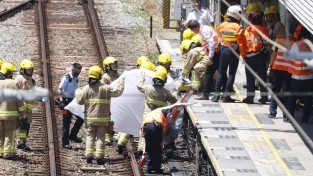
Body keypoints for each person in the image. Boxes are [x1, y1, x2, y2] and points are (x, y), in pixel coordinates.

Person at [77, 66, 124, 165]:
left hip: (90, 119)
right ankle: (99, 157)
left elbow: (80, 102)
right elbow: (118, 93)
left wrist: (77, 93)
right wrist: (122, 83)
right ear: (99, 76)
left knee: (90, 137)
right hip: (102, 119)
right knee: (100, 137)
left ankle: (89, 156)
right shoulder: (106, 88)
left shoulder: (86, 88)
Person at [211, 5, 247, 102]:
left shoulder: (221, 25)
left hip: (223, 50)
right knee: (231, 74)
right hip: (233, 52)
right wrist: (244, 56)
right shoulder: (238, 28)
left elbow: (218, 37)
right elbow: (241, 44)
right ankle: (226, 96)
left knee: (221, 73)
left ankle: (216, 96)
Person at [267, 16, 298, 118]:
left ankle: (272, 112)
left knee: (275, 90)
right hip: (290, 71)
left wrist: (270, 67)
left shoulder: (279, 39)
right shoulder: (296, 42)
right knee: (288, 93)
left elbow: (274, 54)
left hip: (278, 69)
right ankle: (287, 116)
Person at [142, 103, 186, 174]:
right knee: (157, 149)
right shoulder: (161, 111)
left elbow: (142, 130)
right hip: (155, 127)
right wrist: (181, 104)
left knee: (149, 149)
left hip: (146, 127)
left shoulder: (151, 113)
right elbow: (164, 131)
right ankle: (157, 169)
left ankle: (149, 169)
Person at [285, 25, 313, 123]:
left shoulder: (297, 44)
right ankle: (305, 118)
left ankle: (290, 117)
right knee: (308, 99)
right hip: (310, 77)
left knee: (292, 97)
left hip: (297, 77)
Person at [242, 12, 269, 104]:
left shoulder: (248, 30)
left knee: (250, 78)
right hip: (261, 56)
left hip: (250, 57)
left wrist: (244, 56)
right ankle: (264, 97)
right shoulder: (264, 29)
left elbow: (244, 43)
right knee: (262, 77)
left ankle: (250, 98)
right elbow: (266, 43)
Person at [58, 63, 84, 149]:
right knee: (67, 121)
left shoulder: (75, 78)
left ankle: (73, 135)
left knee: (81, 118)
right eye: (77, 71)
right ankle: (65, 143)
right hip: (66, 101)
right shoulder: (66, 77)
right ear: (73, 69)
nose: (78, 73)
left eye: (79, 71)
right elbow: (60, 89)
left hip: (73, 101)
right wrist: (61, 102)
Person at [0, 79, 25, 159]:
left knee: (0, 134)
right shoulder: (14, 84)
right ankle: (7, 153)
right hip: (10, 116)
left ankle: (0, 152)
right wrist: (22, 112)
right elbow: (19, 100)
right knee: (9, 134)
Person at [15, 59, 36, 150]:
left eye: (31, 69)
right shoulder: (19, 79)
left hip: (29, 109)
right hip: (21, 107)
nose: (30, 71)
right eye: (28, 69)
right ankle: (20, 141)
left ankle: (23, 141)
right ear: (22, 70)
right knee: (22, 125)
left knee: (27, 125)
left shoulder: (32, 81)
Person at [101, 56, 120, 145]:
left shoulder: (117, 75)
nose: (115, 65)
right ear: (107, 66)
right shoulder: (105, 77)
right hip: (109, 100)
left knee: (114, 120)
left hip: (116, 99)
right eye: (113, 64)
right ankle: (107, 138)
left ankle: (111, 136)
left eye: (115, 64)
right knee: (108, 120)